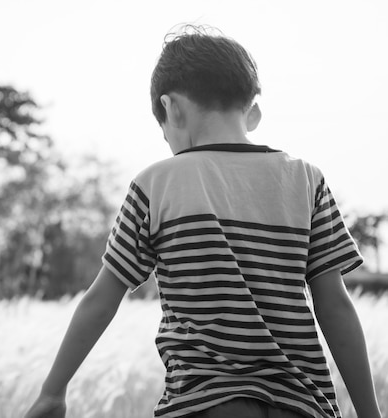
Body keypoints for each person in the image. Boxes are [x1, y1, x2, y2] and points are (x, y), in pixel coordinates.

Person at [24, 25, 382, 418]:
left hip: (201, 404)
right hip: (302, 404)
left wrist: (52, 392)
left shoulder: (155, 184)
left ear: (171, 108)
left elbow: (102, 299)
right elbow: (335, 305)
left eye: (164, 130)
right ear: (254, 111)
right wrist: (369, 412)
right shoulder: (306, 180)